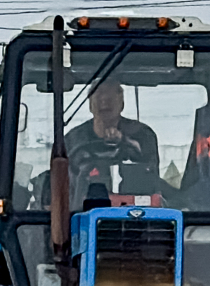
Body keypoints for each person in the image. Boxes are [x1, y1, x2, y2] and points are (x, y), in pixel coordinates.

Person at [66, 78, 159, 206]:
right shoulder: (73, 139)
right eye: (98, 95)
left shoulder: (143, 135)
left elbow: (150, 172)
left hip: (138, 215)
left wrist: (124, 141)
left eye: (110, 97)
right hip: (80, 214)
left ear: (122, 103)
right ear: (89, 104)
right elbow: (63, 184)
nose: (104, 100)